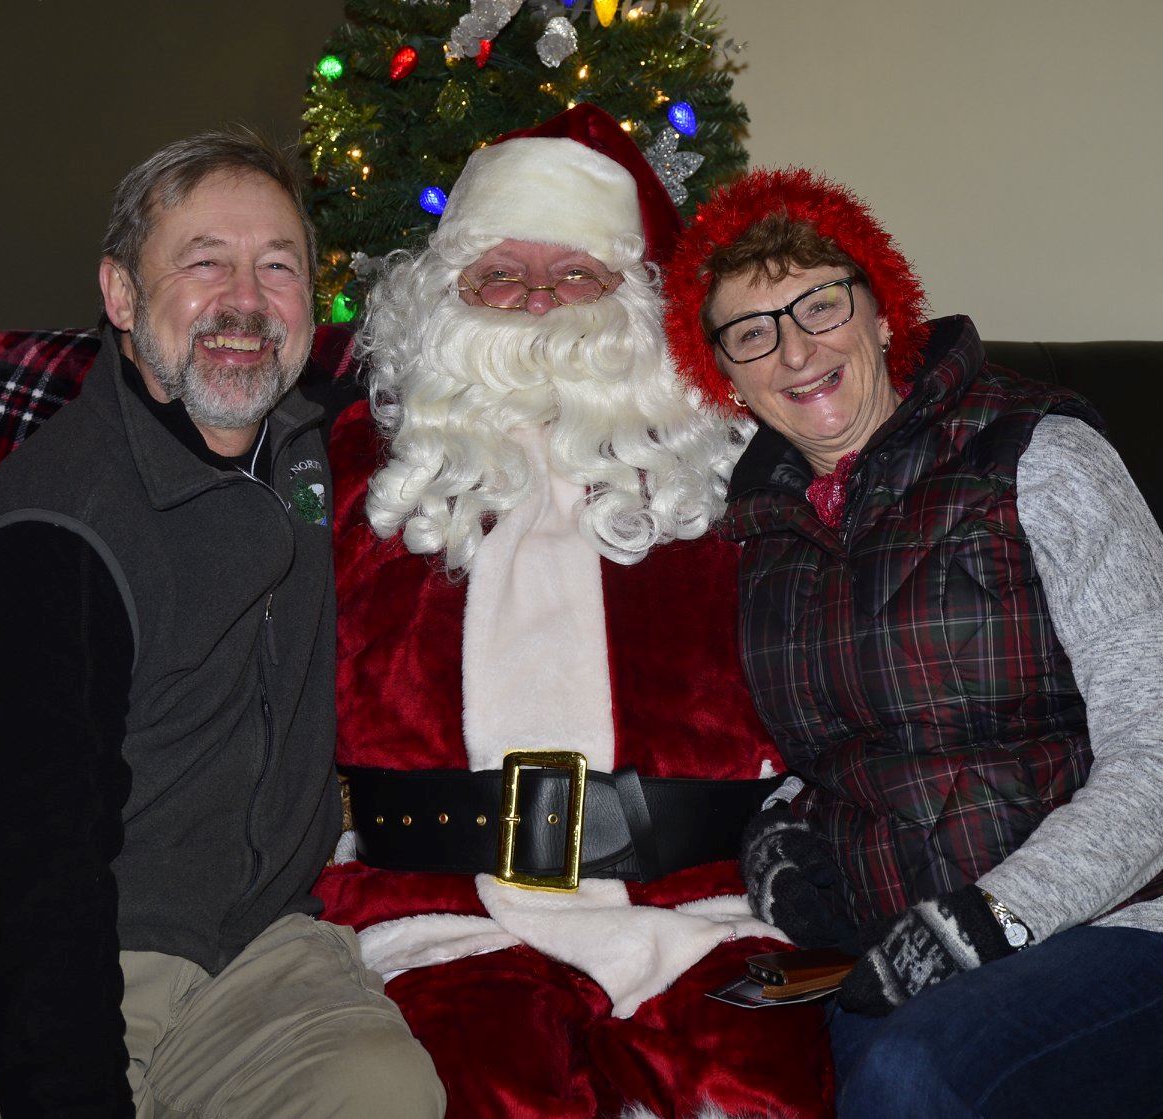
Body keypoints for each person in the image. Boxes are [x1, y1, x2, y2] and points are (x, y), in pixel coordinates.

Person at [0, 131, 443, 1118]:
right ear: (121, 297)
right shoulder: (56, 532)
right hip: (0, 971)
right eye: (204, 263)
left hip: (248, 951)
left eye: (278, 268)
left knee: (385, 1095)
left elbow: (493, 355)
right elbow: (30, 871)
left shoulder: (301, 449)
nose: (246, 303)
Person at [658, 168, 1163, 1118]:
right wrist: (777, 840)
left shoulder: (1037, 454)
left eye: (819, 303)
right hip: (893, 951)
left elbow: (1161, 756)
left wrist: (984, 924)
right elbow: (823, 751)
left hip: (1125, 926)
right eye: (753, 331)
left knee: (908, 1076)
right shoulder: (756, 529)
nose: (796, 349)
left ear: (883, 313)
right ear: (726, 373)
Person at [312, 105, 835, 1119]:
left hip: (702, 914)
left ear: (632, 301)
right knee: (490, 1094)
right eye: (500, 276)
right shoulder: (345, 478)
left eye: (579, 277)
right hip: (438, 920)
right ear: (443, 300)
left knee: (758, 1095)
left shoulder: (740, 478)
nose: (538, 304)